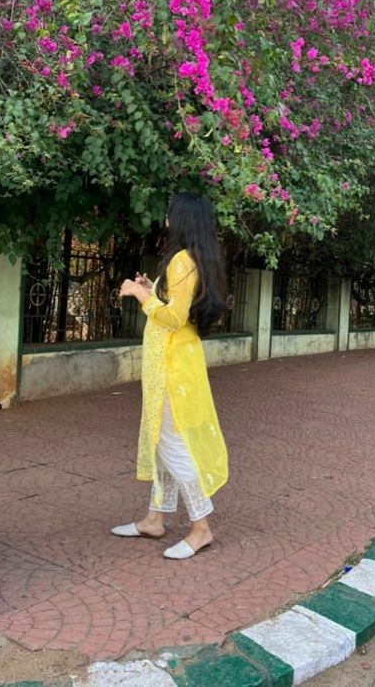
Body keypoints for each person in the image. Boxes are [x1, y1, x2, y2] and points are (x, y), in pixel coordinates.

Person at [111, 192, 229, 560]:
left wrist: (135, 293)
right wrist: (151, 290)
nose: (165, 218)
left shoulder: (181, 261)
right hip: (178, 363)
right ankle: (154, 519)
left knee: (173, 446)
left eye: (169, 213)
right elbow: (175, 308)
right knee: (163, 446)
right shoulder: (195, 260)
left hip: (172, 369)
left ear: (180, 220)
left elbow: (173, 318)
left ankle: (201, 527)